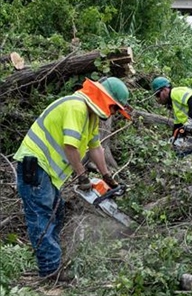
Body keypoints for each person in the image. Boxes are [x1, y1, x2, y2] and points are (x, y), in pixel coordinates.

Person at [13, 77, 130, 281]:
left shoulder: (90, 116)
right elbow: (70, 146)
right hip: (35, 165)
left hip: (47, 172)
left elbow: (95, 147)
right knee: (42, 216)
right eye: (113, 108)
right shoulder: (76, 107)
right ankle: (50, 270)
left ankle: (51, 261)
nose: (112, 113)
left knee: (57, 214)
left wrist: (107, 176)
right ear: (105, 99)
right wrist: (82, 176)